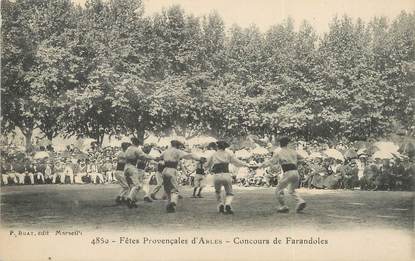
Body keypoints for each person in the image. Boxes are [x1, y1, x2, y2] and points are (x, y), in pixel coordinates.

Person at [258, 136, 307, 213]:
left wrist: (260, 165)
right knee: (291, 190)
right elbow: (303, 159)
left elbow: (270, 162)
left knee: (278, 190)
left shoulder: (279, 152)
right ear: (287, 143)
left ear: (280, 143)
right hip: (296, 172)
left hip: (287, 172)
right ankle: (300, 201)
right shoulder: (293, 151)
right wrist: (295, 162)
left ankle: (283, 206)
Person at [206, 140, 250, 214]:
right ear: (225, 147)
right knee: (229, 192)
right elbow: (237, 162)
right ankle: (227, 204)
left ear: (217, 146)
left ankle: (220, 204)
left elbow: (207, 165)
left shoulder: (213, 154)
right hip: (226, 174)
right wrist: (247, 165)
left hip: (217, 175)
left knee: (218, 191)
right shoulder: (228, 154)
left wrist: (209, 168)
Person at [160, 140, 202, 213]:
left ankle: (168, 204)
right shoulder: (177, 151)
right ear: (177, 145)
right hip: (172, 170)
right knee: (174, 190)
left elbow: (159, 158)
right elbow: (189, 156)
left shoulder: (166, 151)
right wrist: (199, 158)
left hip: (164, 170)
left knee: (167, 190)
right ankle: (173, 203)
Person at [124, 138, 157, 209]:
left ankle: (132, 200)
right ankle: (129, 199)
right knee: (138, 186)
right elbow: (144, 156)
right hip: (132, 168)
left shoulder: (128, 148)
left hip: (126, 167)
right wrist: (154, 158)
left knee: (133, 185)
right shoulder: (137, 150)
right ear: (138, 143)